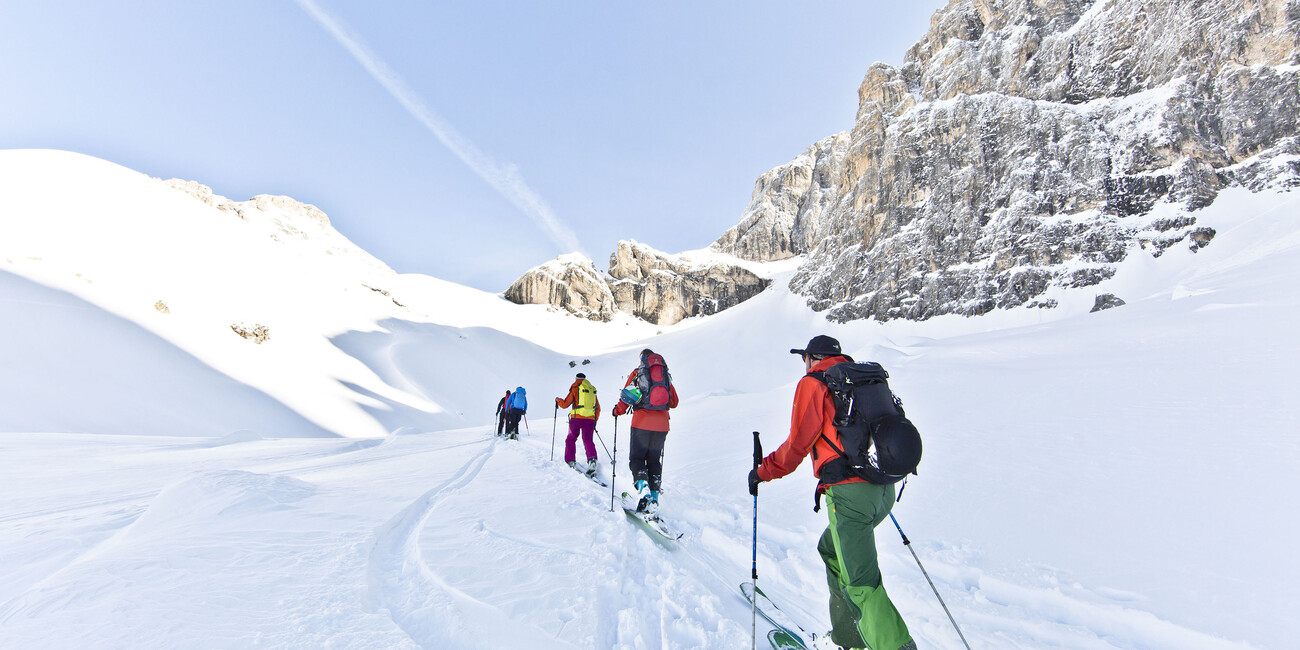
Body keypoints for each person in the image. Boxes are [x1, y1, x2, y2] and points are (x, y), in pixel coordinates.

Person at [748, 335, 916, 650]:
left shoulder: (814, 383)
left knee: (861, 585)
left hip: (850, 498)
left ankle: (894, 645)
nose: (805, 365)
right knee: (831, 550)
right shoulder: (861, 381)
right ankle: (848, 639)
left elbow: (797, 445)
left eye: (804, 359)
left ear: (812, 357)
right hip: (883, 491)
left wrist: (761, 473)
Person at [611, 348, 678, 515]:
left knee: (637, 459)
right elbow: (674, 402)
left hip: (641, 423)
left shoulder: (637, 374)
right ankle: (654, 499)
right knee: (654, 460)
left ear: (642, 359)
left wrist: (617, 411)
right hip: (662, 426)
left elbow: (626, 397)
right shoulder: (664, 376)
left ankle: (644, 492)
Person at [555, 372, 601, 476]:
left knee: (571, 439)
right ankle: (592, 460)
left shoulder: (575, 387)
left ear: (576, 378)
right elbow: (597, 407)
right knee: (588, 440)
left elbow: (565, 404)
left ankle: (570, 460)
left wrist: (558, 400)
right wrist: (594, 421)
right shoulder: (591, 390)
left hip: (576, 419)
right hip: (589, 420)